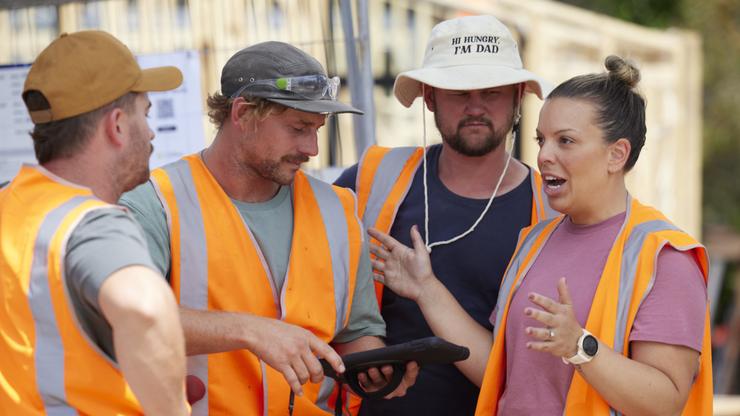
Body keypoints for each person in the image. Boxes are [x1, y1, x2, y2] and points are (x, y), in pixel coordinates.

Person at [368, 56, 712, 415]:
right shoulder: (535, 240)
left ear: (616, 154)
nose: (544, 155)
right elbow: (501, 370)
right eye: (541, 139)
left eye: (565, 141)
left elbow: (666, 401)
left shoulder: (665, 256)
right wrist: (426, 289)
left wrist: (580, 346)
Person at [119, 41, 417, 415]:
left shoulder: (338, 210)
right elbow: (127, 324)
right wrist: (251, 330)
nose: (312, 148)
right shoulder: (155, 204)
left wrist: (376, 367)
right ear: (243, 114)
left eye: (318, 129)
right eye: (298, 128)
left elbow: (356, 333)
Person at [334, 14, 556, 415]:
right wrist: (363, 351)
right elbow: (316, 292)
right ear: (430, 98)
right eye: (457, 93)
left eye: (491, 92)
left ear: (518, 96)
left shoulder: (552, 210)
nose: (475, 107)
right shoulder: (371, 179)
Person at [0, 31, 188, 415]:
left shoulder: (9, 203)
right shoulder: (92, 224)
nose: (151, 132)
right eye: (145, 114)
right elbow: (145, 308)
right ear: (117, 125)